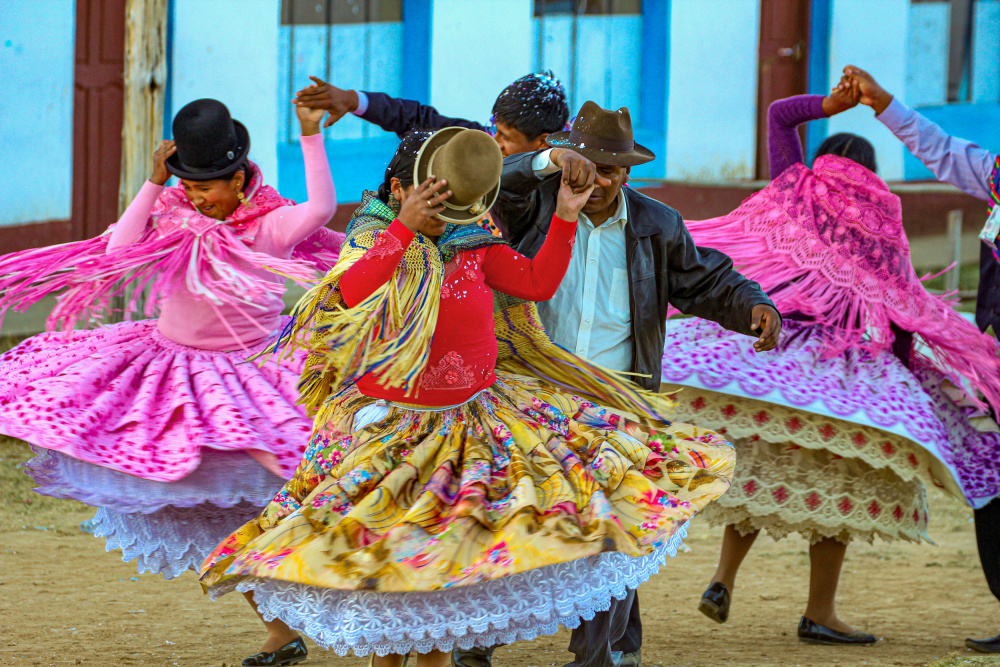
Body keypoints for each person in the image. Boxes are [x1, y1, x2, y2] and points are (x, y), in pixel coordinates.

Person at [199, 127, 739, 667]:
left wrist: (566, 215)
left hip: (473, 425)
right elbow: (353, 294)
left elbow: (534, 284)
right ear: (397, 192)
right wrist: (405, 230)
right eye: (433, 199)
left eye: (455, 200)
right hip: (395, 434)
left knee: (441, 602)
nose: (447, 212)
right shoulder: (373, 238)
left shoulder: (473, 237)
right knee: (394, 591)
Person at [0, 98, 342, 666]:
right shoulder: (173, 212)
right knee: (217, 524)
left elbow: (323, 208)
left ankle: (317, 607)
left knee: (274, 511)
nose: (195, 196)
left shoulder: (271, 228)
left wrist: (311, 138)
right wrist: (153, 183)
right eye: (186, 182)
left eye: (206, 186)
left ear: (239, 180)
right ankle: (282, 631)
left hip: (248, 382)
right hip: (174, 376)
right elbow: (116, 251)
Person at [657, 81, 1000, 645]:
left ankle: (722, 578)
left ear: (820, 163)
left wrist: (827, 105)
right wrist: (900, 377)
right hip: (840, 376)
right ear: (872, 174)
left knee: (760, 466)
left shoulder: (795, 189)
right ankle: (820, 612)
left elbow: (777, 114)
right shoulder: (880, 221)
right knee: (840, 481)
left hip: (771, 356)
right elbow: (901, 313)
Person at [480, 101, 782, 667]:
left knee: (614, 530)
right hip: (529, 395)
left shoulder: (657, 223)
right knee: (515, 518)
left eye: (613, 171)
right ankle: (480, 643)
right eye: (588, 168)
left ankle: (600, 653)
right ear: (570, 164)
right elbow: (502, 181)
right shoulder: (536, 206)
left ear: (628, 173)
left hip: (618, 399)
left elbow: (707, 280)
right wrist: (546, 160)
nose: (599, 181)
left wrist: (752, 307)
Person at [839, 64, 1000, 653]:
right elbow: (945, 152)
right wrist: (884, 104)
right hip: (995, 361)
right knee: (993, 485)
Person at [291, 70, 571, 237]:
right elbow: (415, 117)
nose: (494, 142)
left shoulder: (564, 183)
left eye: (506, 138)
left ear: (543, 142)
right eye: (494, 130)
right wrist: (353, 100)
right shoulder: (477, 146)